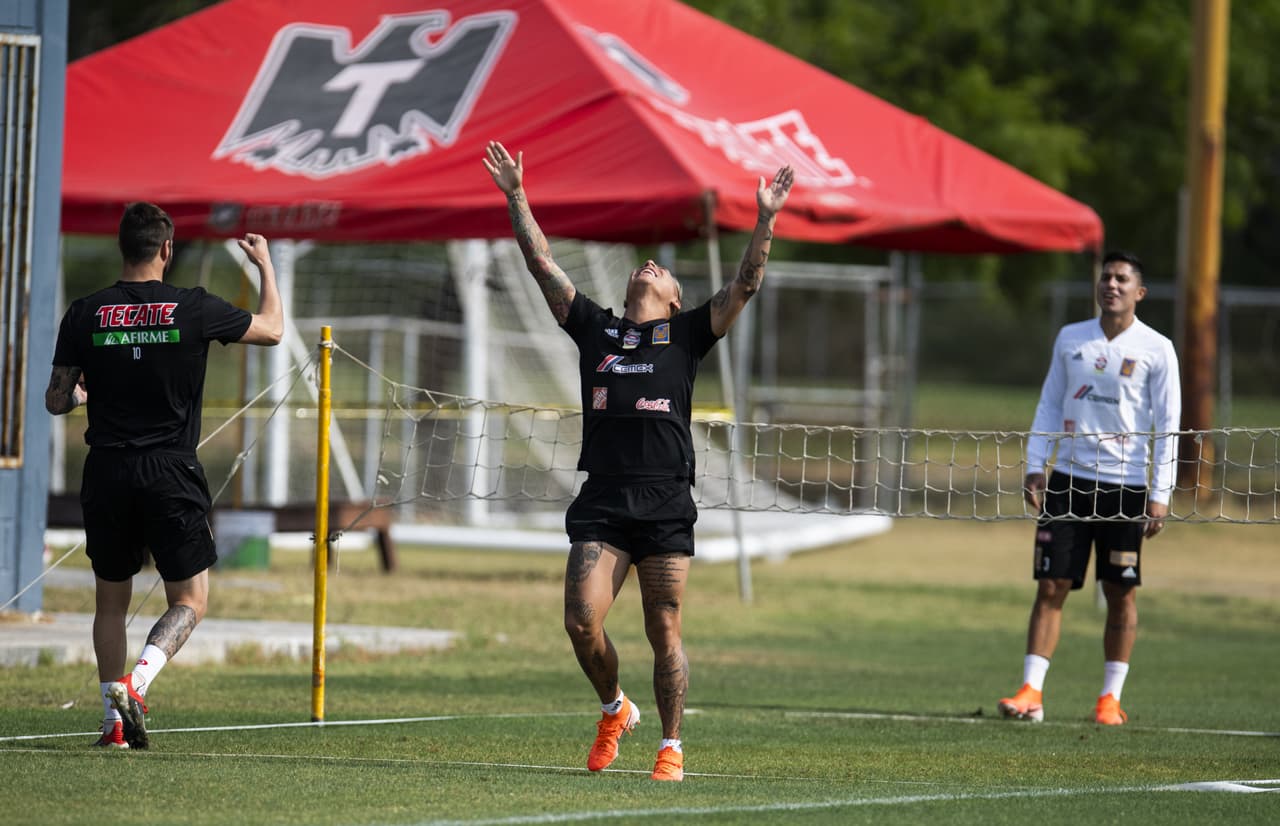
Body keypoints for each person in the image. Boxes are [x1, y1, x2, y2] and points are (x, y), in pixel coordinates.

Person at [483, 140, 793, 780]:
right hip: (603, 498)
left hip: (665, 500)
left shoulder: (687, 334)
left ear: (676, 299)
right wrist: (517, 195)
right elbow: (541, 264)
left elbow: (747, 283)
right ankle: (614, 708)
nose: (649, 266)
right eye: (643, 266)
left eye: (663, 270)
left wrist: (765, 217)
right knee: (579, 622)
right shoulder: (595, 328)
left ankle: (671, 746)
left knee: (664, 628)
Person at [46, 203, 283, 749]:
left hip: (107, 469)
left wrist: (82, 394)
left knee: (110, 603)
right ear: (167, 249)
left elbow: (56, 400)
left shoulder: (85, 312)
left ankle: (112, 724)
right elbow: (273, 330)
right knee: (191, 599)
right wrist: (265, 266)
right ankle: (138, 683)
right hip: (170, 471)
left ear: (121, 247)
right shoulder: (192, 307)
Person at [998, 251, 1180, 726]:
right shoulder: (1071, 338)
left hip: (1126, 488)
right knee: (1051, 584)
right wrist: (1036, 464)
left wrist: (1160, 494)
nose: (1111, 285)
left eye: (1122, 279)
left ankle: (1109, 699)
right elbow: (1049, 403)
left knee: (1120, 591)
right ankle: (1031, 691)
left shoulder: (1157, 348)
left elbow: (1169, 425)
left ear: (1139, 292)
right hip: (1068, 481)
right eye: (1106, 277)